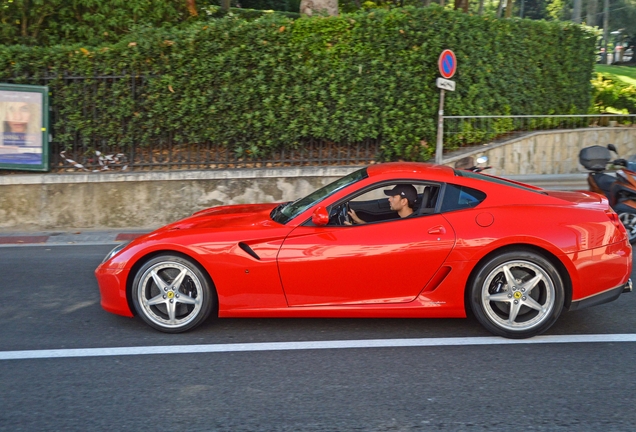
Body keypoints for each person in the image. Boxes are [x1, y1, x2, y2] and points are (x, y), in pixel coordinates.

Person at [347, 184, 417, 225]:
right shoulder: (402, 220)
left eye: (393, 197)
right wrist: (358, 221)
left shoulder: (407, 225)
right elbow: (377, 233)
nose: (389, 199)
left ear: (404, 201)